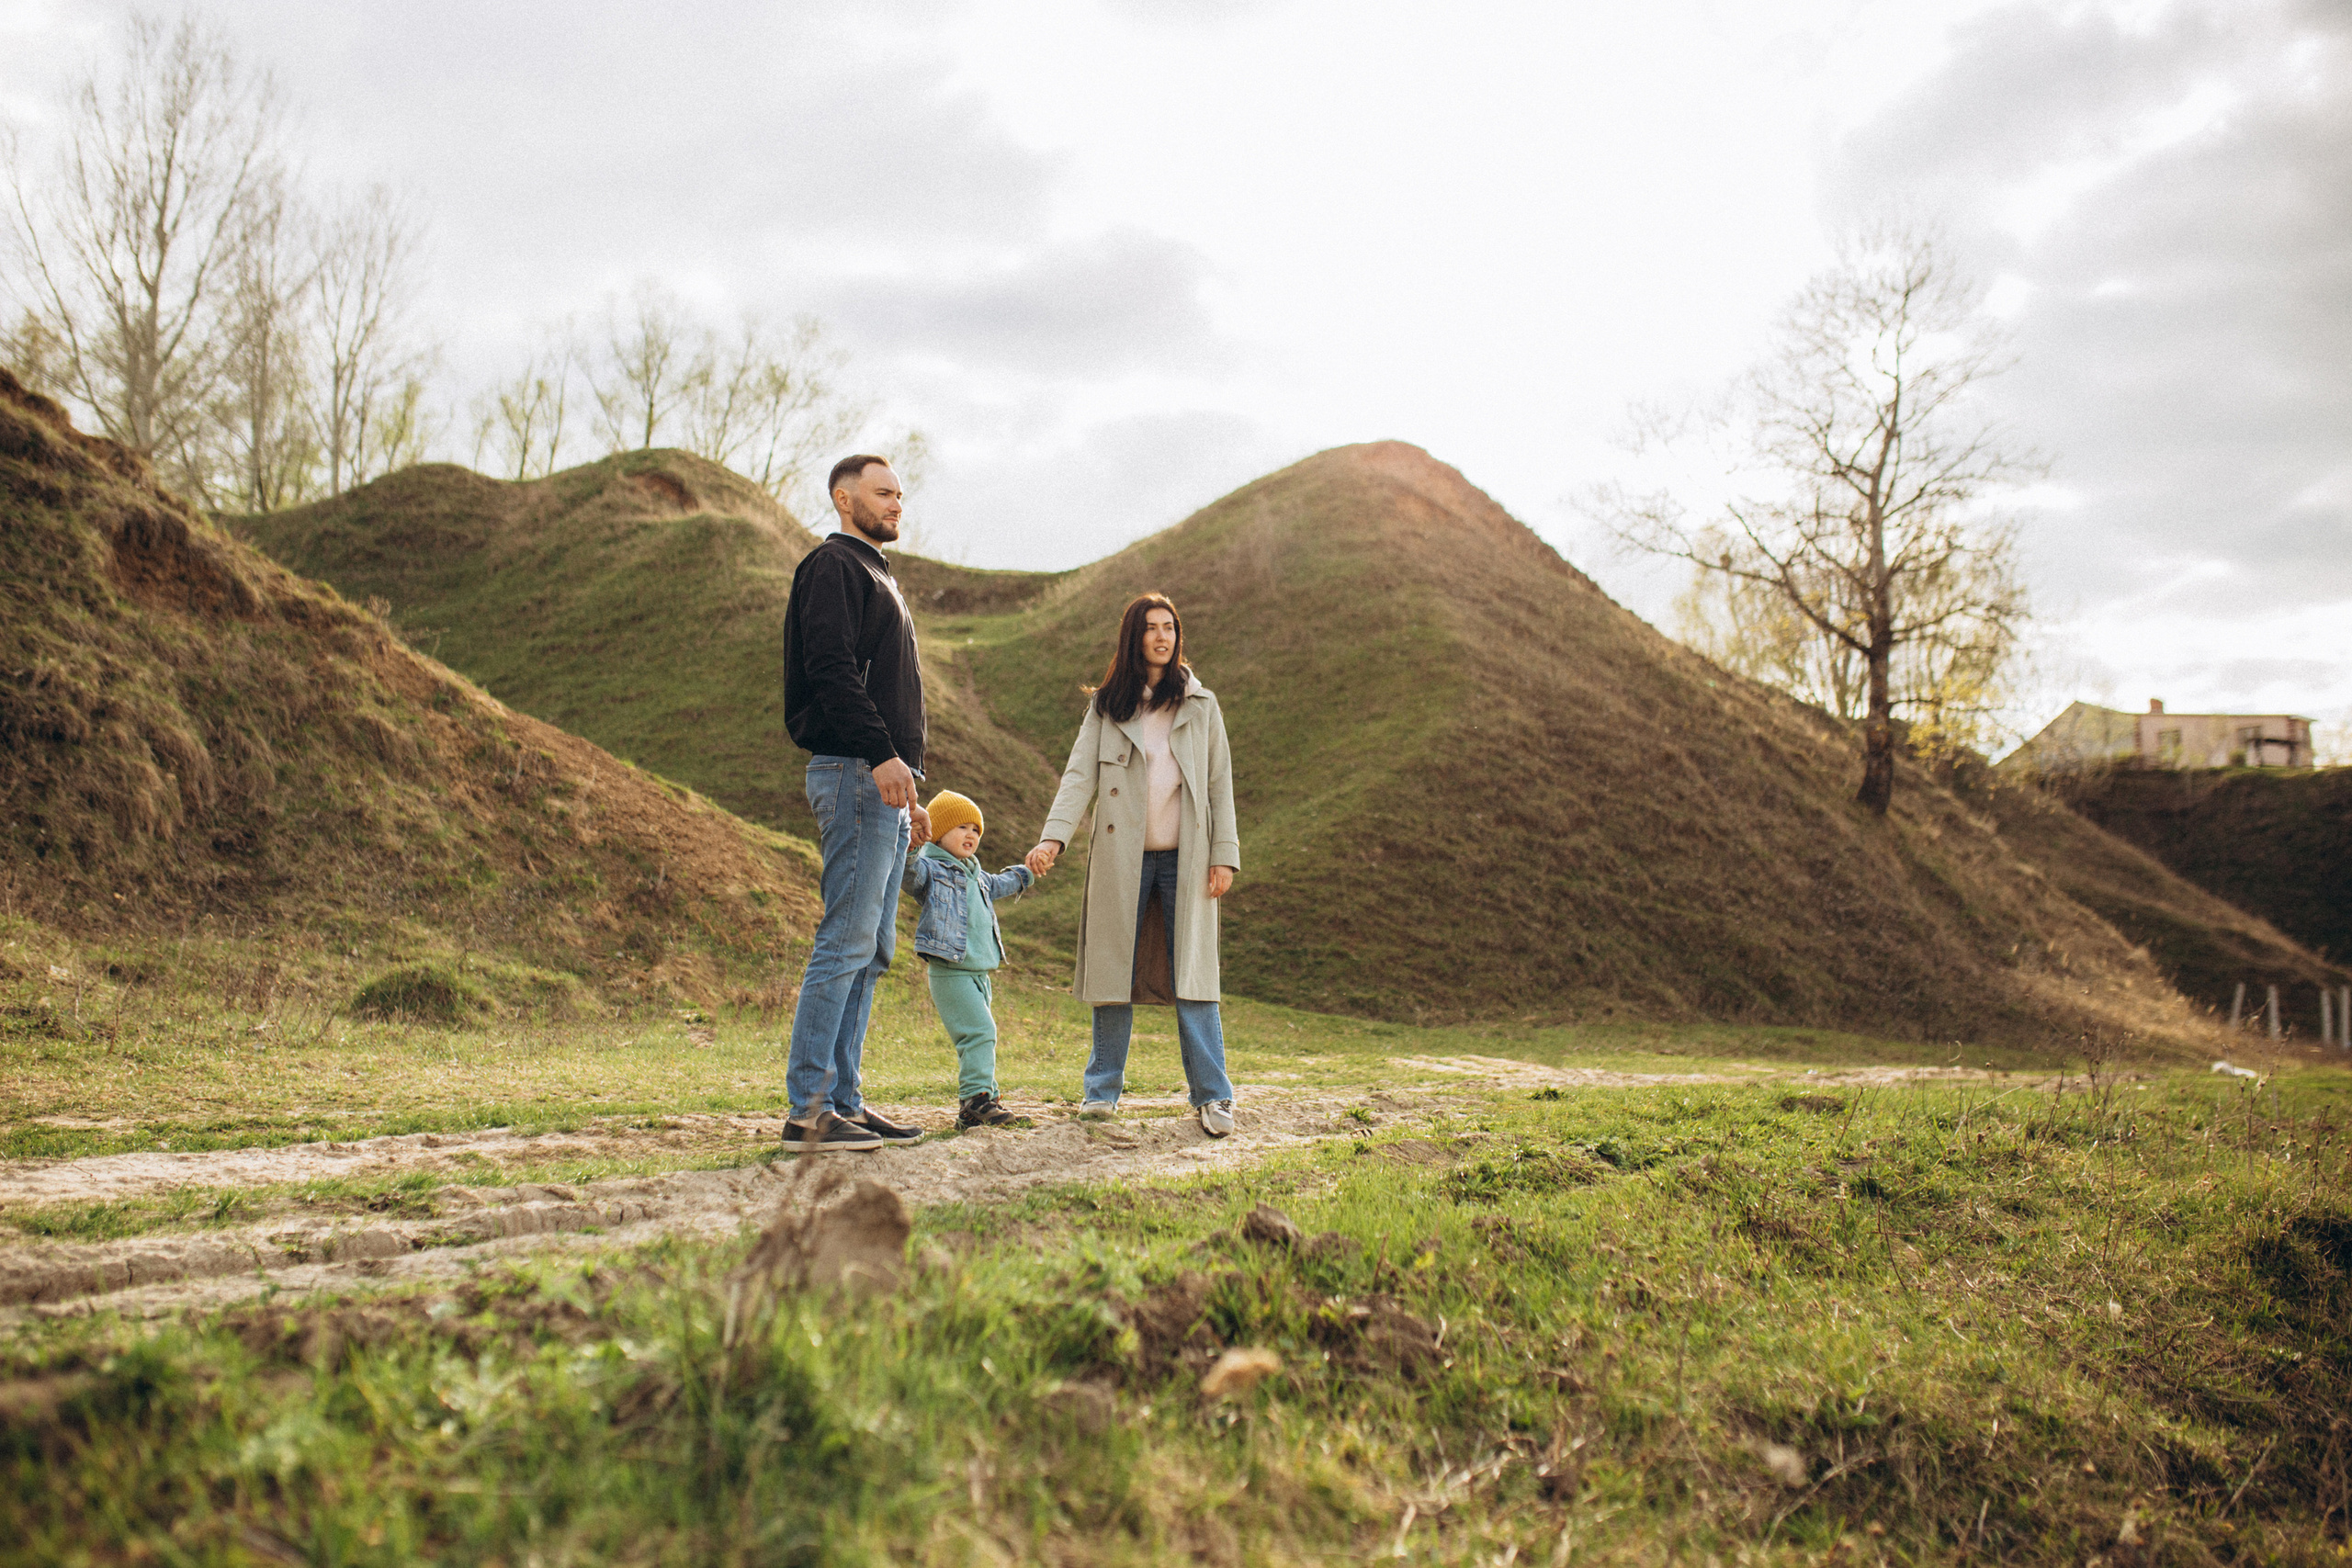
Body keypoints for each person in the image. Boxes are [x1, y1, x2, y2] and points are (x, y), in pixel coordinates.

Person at [1026, 593, 1241, 1136]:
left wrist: (1224, 855)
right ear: (1133, 637)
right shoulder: (1107, 707)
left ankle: (1213, 1097)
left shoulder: (1201, 704)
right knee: (1111, 972)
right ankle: (1101, 1093)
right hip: (1121, 859)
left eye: (1170, 627)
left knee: (1194, 974)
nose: (1162, 637)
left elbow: (1220, 785)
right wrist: (1053, 840)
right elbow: (1080, 777)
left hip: (1187, 859)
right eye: (1151, 628)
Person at [777, 454, 932, 1152]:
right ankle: (808, 1111)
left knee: (870, 950)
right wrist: (880, 757)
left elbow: (890, 690)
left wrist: (910, 787)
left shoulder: (880, 576)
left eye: (900, 494)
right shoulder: (832, 566)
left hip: (886, 787)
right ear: (844, 499)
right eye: (882, 493)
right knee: (844, 940)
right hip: (853, 772)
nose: (896, 503)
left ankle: (843, 1099)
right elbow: (832, 671)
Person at [901, 790, 1035, 1129]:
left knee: (976, 1037)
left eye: (976, 830)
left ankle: (983, 1100)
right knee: (980, 1031)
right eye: (962, 827)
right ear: (938, 831)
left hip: (980, 973)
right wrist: (912, 848)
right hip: (951, 971)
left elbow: (1005, 882)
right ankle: (976, 1102)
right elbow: (909, 874)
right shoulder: (931, 869)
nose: (971, 835)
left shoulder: (977, 875)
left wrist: (1029, 871)